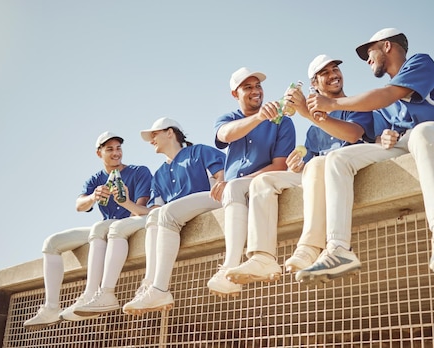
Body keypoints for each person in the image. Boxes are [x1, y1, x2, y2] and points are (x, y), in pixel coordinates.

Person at [297, 28, 434, 286]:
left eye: (370, 51)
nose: (367, 59)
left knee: (420, 133)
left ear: (387, 46)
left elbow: (386, 96)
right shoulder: (382, 98)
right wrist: (384, 137)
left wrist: (331, 104)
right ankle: (339, 248)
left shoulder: (420, 62)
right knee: (337, 159)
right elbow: (378, 135)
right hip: (407, 145)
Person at [224, 55, 374, 285]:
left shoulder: (354, 104)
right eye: (325, 73)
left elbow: (353, 135)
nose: (334, 74)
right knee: (262, 182)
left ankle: (310, 247)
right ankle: (263, 257)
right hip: (320, 175)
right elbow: (309, 170)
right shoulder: (313, 131)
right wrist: (298, 166)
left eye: (335, 69)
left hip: (348, 174)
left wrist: (306, 113)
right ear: (314, 84)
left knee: (319, 163)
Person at [23, 131, 152, 330]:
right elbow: (79, 205)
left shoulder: (139, 171)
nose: (116, 153)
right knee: (51, 243)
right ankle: (51, 308)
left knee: (99, 227)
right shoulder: (96, 179)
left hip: (128, 225)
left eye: (118, 148)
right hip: (103, 228)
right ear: (99, 153)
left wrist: (123, 199)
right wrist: (93, 196)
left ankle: (91, 294)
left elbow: (141, 210)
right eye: (110, 149)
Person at [117, 117, 226, 315]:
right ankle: (149, 283)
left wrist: (223, 184)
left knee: (167, 211)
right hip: (177, 216)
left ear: (170, 132)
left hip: (211, 201)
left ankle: (160, 288)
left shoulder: (198, 151)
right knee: (153, 218)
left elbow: (222, 176)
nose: (151, 140)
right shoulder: (159, 174)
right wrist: (127, 204)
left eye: (154, 134)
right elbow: (153, 211)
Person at [207, 67, 295, 297]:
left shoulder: (282, 122)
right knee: (167, 214)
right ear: (235, 94)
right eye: (248, 87)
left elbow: (279, 166)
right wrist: (258, 118)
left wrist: (236, 182)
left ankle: (229, 267)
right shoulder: (227, 118)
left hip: (259, 183)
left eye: (258, 86)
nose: (256, 91)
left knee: (234, 186)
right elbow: (225, 135)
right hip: (231, 191)